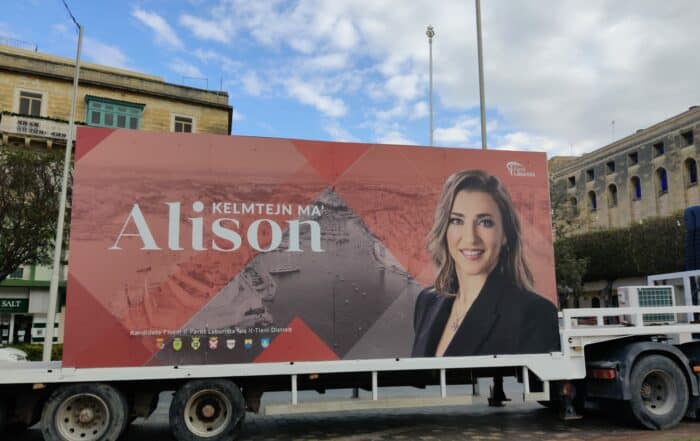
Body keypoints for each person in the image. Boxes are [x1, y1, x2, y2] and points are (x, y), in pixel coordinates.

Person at [411, 170, 559, 357]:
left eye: (485, 222)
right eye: (457, 220)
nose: (470, 237)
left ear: (505, 235)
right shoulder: (427, 302)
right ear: (444, 229)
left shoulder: (534, 314)